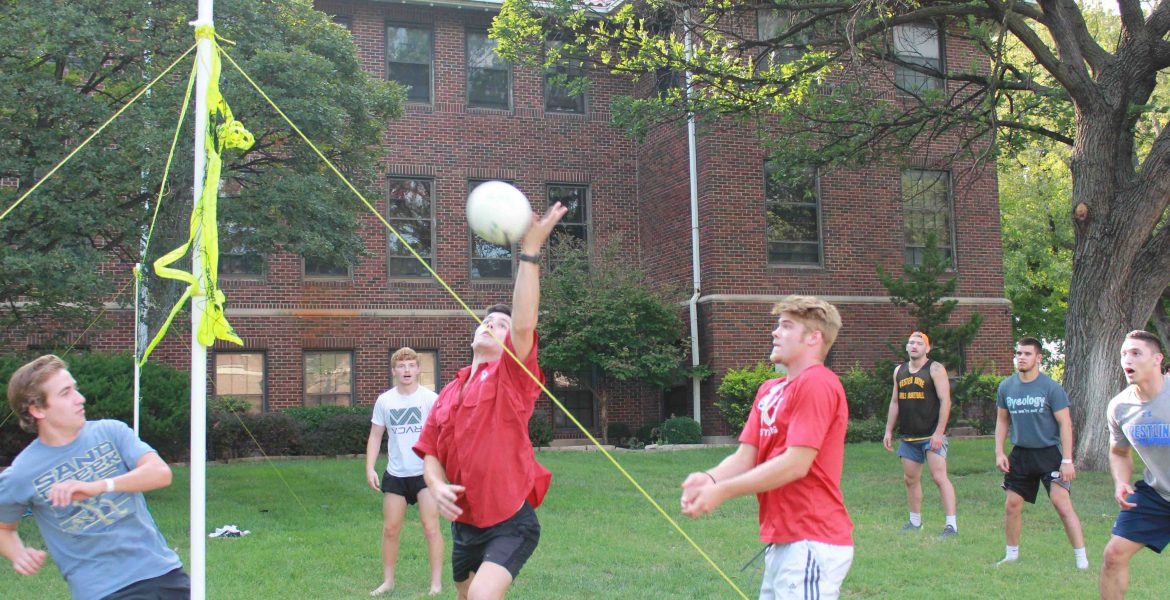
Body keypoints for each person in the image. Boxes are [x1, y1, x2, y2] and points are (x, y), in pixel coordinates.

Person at [413, 201, 567, 600]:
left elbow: (524, 323)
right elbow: (431, 452)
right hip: (465, 525)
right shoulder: (448, 391)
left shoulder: (512, 378)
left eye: (500, 325)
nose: (490, 325)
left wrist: (529, 253)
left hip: (510, 520)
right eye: (486, 321)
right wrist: (436, 484)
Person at [680, 295, 853, 600]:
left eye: (787, 326)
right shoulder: (770, 390)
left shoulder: (817, 382)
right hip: (783, 541)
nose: (775, 332)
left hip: (812, 538)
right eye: (778, 325)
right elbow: (746, 456)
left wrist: (722, 491)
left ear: (814, 338)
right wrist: (709, 478)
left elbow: (796, 464)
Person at [0, 355, 189, 599]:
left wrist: (99, 486)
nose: (80, 398)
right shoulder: (22, 473)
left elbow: (160, 473)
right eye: (66, 393)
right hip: (105, 590)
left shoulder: (110, 431)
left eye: (75, 389)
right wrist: (18, 554)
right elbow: (4, 528)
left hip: (164, 572)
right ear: (37, 410)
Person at [993, 337, 1088, 569]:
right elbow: (1002, 421)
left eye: (1027, 353)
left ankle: (1081, 559)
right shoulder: (1006, 387)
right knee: (1012, 505)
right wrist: (999, 452)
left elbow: (1065, 424)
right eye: (1019, 353)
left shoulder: (1051, 388)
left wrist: (1067, 460)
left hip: (1049, 454)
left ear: (1038, 358)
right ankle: (1011, 555)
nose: (1021, 357)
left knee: (1061, 504)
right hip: (1021, 454)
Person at [365, 347, 443, 596]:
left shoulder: (430, 399)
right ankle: (388, 581)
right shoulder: (385, 401)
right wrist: (370, 467)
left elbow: (443, 434)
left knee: (431, 528)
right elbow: (375, 436)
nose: (406, 370)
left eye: (411, 365)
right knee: (390, 529)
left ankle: (436, 584)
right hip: (396, 474)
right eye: (401, 366)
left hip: (424, 474)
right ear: (394, 371)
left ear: (418, 369)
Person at [1100, 330, 1170, 599]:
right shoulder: (1120, 407)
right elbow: (1119, 452)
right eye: (1124, 354)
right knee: (1113, 555)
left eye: (1136, 353)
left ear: (1157, 359)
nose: (1127, 359)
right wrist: (1121, 481)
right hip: (1157, 494)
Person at [882, 331, 959, 539]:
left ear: (927, 348)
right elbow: (895, 402)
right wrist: (888, 430)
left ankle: (951, 525)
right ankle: (915, 522)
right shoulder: (899, 371)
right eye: (911, 342)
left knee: (939, 477)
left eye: (919, 343)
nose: (914, 346)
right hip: (909, 437)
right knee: (910, 479)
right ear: (907, 347)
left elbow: (945, 401)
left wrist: (939, 433)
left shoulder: (935, 369)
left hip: (931, 435)